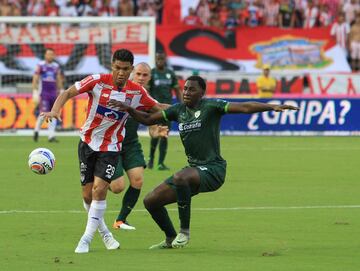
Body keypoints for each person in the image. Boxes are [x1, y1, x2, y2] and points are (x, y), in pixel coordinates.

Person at [107, 75, 299, 249]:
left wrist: (271, 106)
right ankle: (170, 238)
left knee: (181, 177)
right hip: (194, 171)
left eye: (192, 89)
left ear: (202, 93)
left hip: (213, 170)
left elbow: (244, 107)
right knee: (151, 201)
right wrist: (129, 109)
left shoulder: (211, 107)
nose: (186, 92)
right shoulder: (177, 110)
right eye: (185, 89)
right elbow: (148, 119)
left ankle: (184, 232)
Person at [41, 49, 164, 253]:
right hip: (87, 143)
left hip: (112, 146)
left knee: (100, 190)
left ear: (131, 69)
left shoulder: (137, 92)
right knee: (88, 196)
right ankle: (105, 233)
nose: (121, 73)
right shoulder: (97, 80)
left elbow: (158, 107)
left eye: (125, 69)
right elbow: (67, 92)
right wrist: (55, 110)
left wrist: (186, 111)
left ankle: (86, 239)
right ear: (112, 67)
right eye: (117, 68)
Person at [111, 62, 169, 230]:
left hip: (130, 144)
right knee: (117, 187)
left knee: (137, 179)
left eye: (145, 75)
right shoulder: (117, 90)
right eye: (138, 74)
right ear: (131, 73)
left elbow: (151, 127)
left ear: (149, 78)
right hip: (111, 143)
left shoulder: (146, 98)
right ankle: (98, 174)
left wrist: (156, 132)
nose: (141, 78)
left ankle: (120, 220)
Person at [147, 51, 182, 170]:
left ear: (165, 59)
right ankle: (151, 159)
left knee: (165, 134)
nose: (160, 61)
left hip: (168, 109)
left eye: (162, 59)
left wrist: (183, 105)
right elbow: (146, 91)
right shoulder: (152, 73)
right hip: (155, 109)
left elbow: (177, 90)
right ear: (155, 59)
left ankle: (160, 163)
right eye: (158, 59)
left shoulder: (170, 73)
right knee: (155, 134)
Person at [32, 48, 64, 142]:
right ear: (45, 55)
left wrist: (61, 89)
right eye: (48, 54)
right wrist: (34, 91)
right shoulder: (40, 65)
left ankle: (51, 136)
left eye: (51, 54)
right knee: (43, 113)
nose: (50, 56)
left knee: (54, 113)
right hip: (44, 93)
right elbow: (35, 78)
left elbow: (58, 79)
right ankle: (36, 130)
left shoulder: (56, 66)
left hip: (53, 93)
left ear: (53, 56)